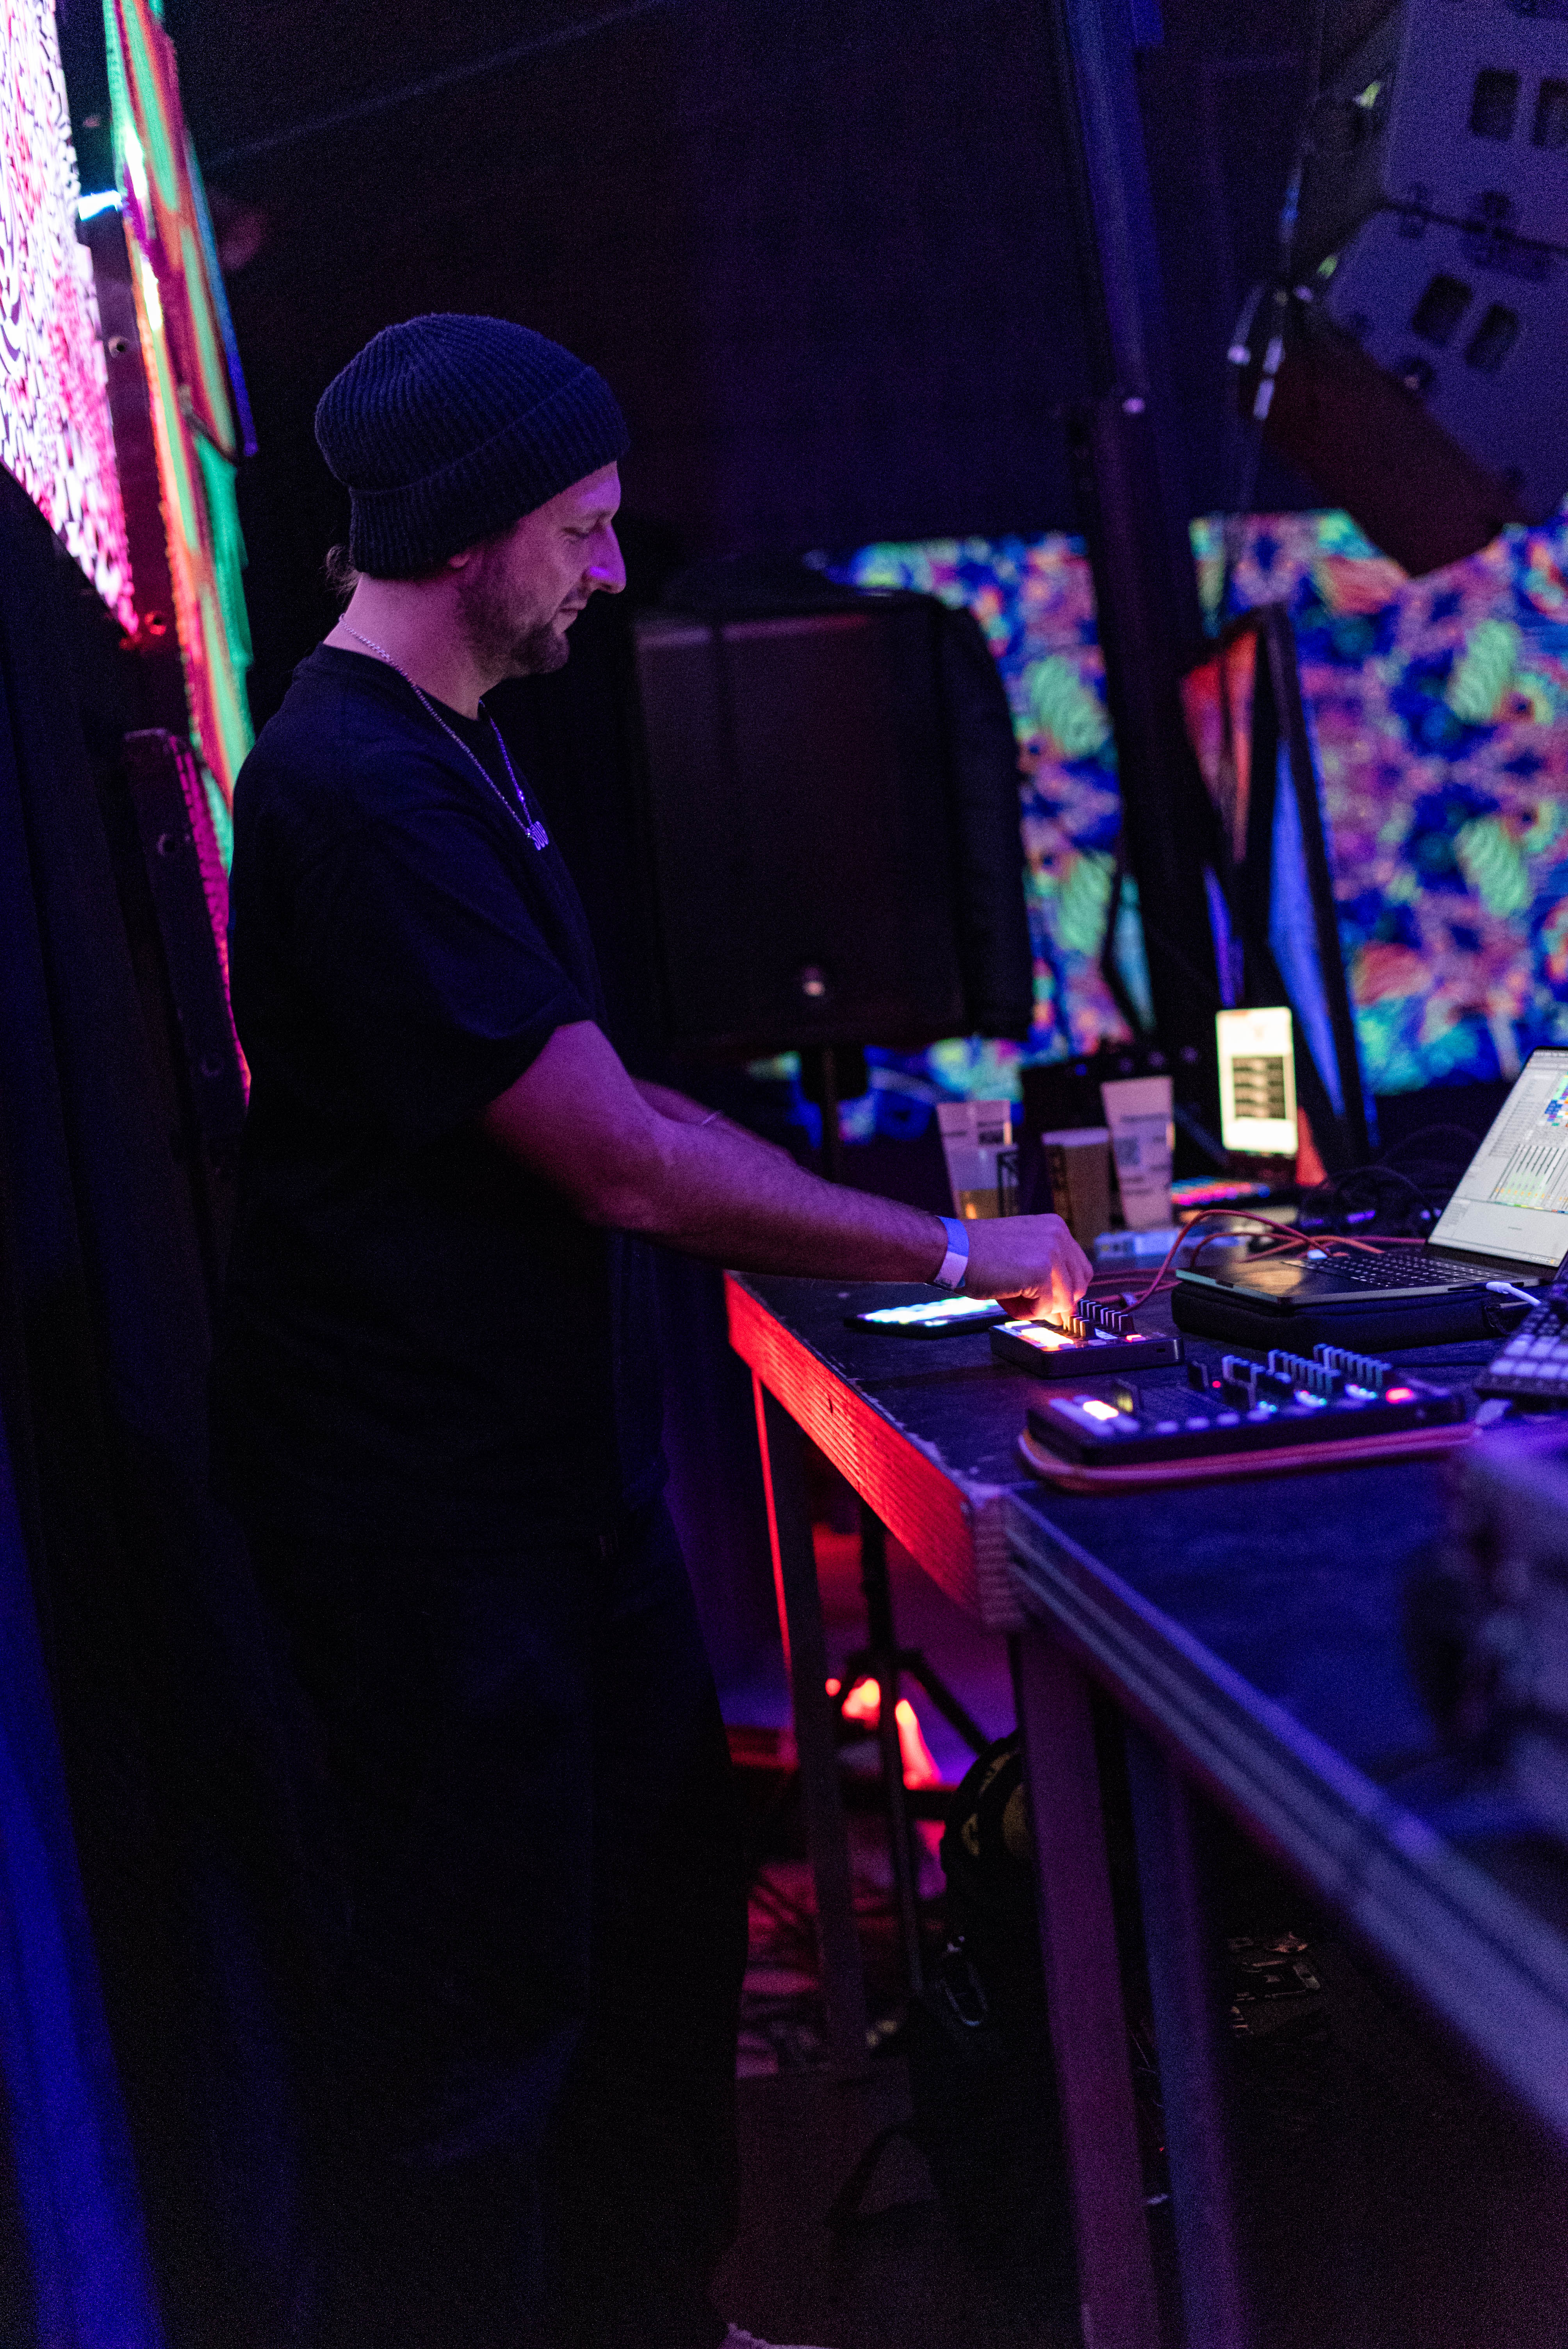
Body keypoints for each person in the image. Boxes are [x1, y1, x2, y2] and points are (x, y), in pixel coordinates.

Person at [211, 311, 1090, 2349]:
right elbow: (613, 1163)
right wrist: (953, 1253)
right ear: (469, 532)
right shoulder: (361, 786)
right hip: (429, 1525)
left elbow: (612, 1090)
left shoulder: (454, 745)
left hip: (539, 1504)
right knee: (480, 2023)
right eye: (584, 532)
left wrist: (914, 1234)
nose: (613, 574)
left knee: (658, 1924)